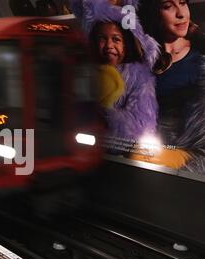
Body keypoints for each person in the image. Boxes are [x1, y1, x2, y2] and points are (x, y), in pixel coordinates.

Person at [70, 0, 160, 147]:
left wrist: (105, 114)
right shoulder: (85, 72)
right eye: (102, 39)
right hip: (86, 149)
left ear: (126, 45)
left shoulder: (140, 78)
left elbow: (141, 126)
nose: (109, 46)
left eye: (116, 39)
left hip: (123, 154)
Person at [137, 0, 205, 172]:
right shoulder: (140, 60)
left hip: (186, 164)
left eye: (183, 3)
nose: (181, 14)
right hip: (145, 157)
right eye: (168, 6)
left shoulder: (199, 59)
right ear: (155, 13)